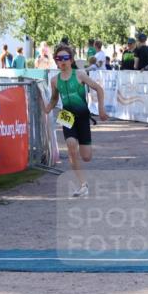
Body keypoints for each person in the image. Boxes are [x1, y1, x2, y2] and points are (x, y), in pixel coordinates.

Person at [44, 44, 108, 198]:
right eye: (59, 58)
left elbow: (99, 89)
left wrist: (101, 109)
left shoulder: (80, 74)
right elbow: (54, 99)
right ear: (56, 61)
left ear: (71, 59)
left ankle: (81, 156)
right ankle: (82, 185)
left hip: (82, 117)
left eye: (65, 58)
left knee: (86, 156)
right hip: (66, 116)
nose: (62, 61)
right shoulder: (54, 80)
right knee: (71, 146)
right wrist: (46, 109)